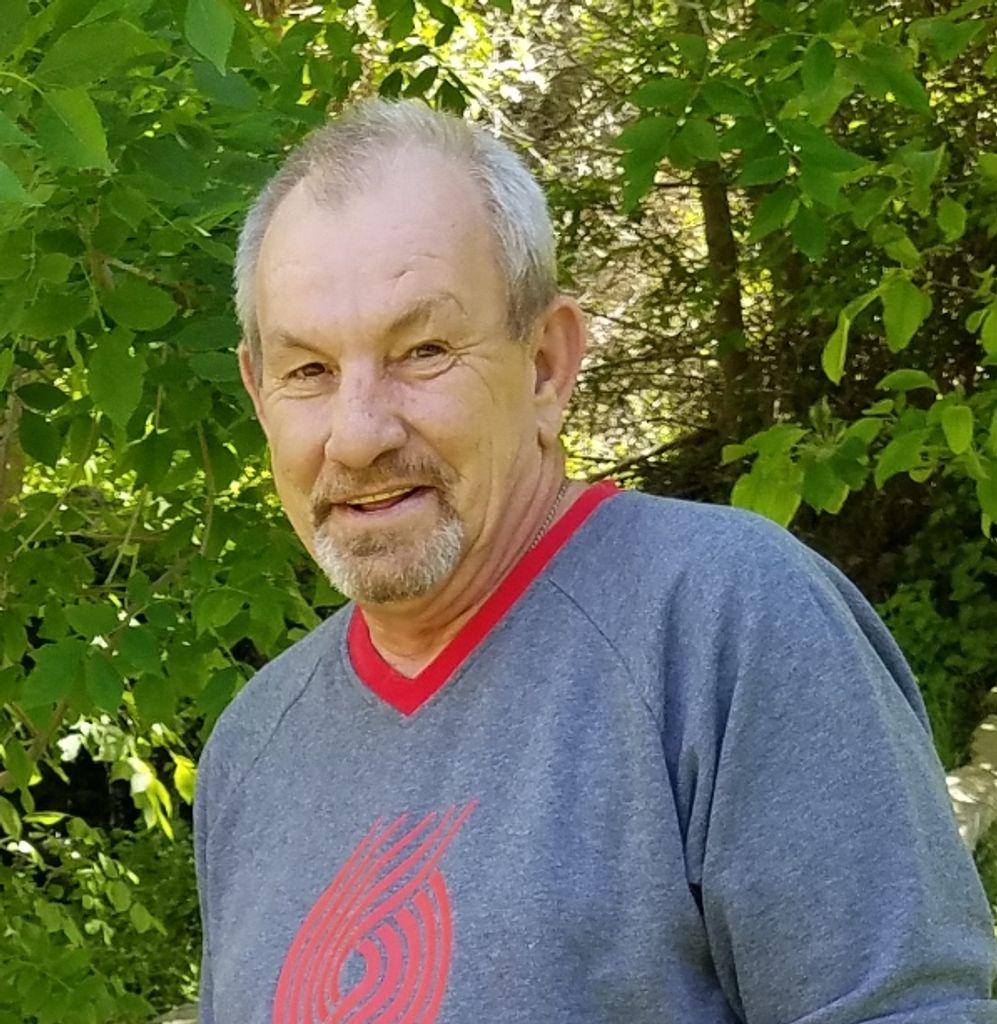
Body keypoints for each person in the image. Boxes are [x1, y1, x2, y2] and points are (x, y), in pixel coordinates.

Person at [193, 99, 997, 1024]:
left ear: (545, 364)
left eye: (421, 351)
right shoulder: (253, 750)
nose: (357, 433)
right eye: (308, 371)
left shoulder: (726, 621)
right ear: (257, 391)